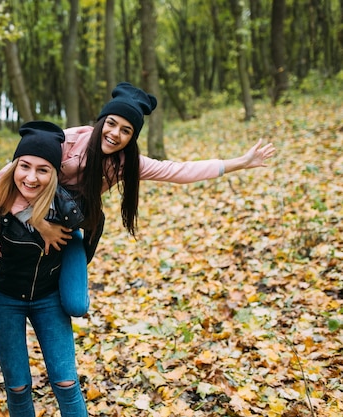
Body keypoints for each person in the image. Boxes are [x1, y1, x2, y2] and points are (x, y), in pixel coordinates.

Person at [34, 82, 277, 317]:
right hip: (31, 215)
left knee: (77, 305)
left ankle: (55, 292)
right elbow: (13, 176)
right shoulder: (66, 140)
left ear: (132, 138)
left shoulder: (126, 164)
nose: (115, 134)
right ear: (101, 122)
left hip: (70, 224)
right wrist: (39, 223)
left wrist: (241, 163)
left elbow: (179, 171)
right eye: (111, 124)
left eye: (126, 130)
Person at [0, 121, 88, 417]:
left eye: (42, 170)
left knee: (66, 382)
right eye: (24, 166)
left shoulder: (66, 207)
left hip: (48, 298)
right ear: (13, 166)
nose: (30, 177)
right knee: (17, 387)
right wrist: (33, 218)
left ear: (55, 174)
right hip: (3, 299)